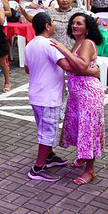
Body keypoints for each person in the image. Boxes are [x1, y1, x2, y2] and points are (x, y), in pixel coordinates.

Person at [51, 13, 105, 185]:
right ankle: (83, 156)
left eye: (79, 23)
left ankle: (90, 170)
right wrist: (91, 70)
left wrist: (63, 50)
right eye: (73, 23)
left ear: (87, 28)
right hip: (77, 95)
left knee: (88, 132)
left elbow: (81, 65)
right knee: (79, 128)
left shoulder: (87, 43)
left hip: (88, 94)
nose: (75, 26)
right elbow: (76, 66)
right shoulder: (78, 42)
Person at [24, 13, 71, 181]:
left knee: (43, 128)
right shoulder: (50, 44)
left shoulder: (30, 45)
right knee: (47, 132)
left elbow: (27, 69)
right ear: (47, 26)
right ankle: (37, 168)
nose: (54, 24)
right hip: (48, 97)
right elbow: (66, 65)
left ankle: (49, 156)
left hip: (36, 94)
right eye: (52, 22)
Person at [20, 0, 87, 48]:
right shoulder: (50, 12)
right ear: (57, 0)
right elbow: (35, 20)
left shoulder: (79, 12)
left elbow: (90, 24)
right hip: (54, 48)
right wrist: (24, 13)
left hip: (74, 48)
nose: (64, 0)